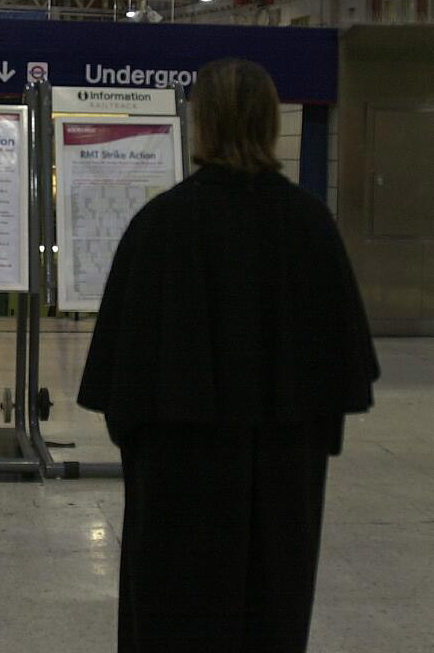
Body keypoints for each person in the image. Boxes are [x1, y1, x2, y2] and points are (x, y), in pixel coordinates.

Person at [77, 58, 380, 653]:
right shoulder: (309, 224)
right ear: (271, 123)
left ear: (201, 125)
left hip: (176, 475)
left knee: (174, 619)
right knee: (273, 611)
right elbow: (340, 375)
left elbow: (121, 383)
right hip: (285, 471)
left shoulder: (160, 225)